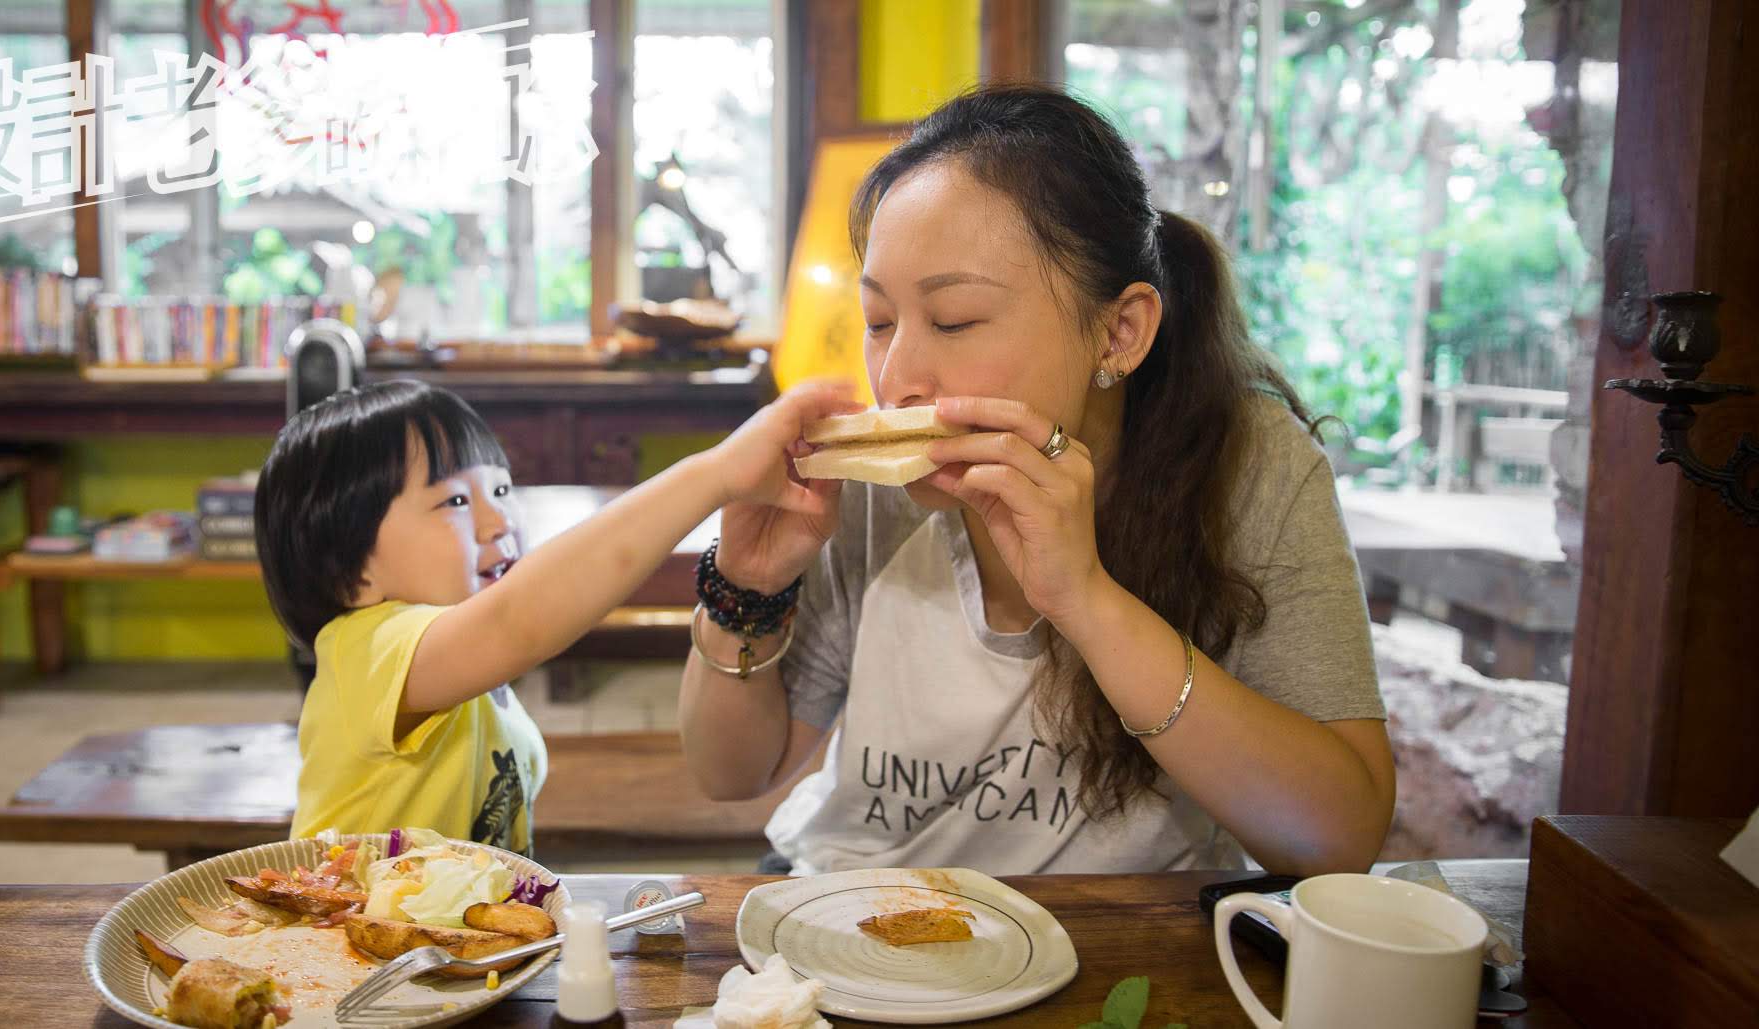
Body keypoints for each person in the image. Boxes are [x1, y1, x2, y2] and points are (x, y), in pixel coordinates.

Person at [678, 84, 1395, 877]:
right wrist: (744, 587)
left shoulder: (1248, 465)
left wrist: (1086, 598)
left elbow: (1341, 837)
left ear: (1119, 332)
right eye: (879, 323)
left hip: (1135, 945)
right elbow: (731, 773)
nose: (899, 379)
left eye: (953, 320)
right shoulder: (874, 493)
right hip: (857, 916)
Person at [256, 378, 859, 852]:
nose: (500, 523)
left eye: (499, 490)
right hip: (344, 949)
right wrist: (717, 474)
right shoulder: (368, 647)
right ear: (351, 568)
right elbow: (519, 621)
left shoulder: (455, 667)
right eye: (456, 501)